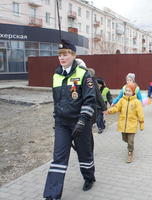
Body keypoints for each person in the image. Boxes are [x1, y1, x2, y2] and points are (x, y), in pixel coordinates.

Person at [43, 40, 96, 200]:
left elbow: (90, 100)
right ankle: (52, 195)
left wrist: (82, 121)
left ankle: (89, 178)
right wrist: (56, 120)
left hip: (81, 122)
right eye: (59, 54)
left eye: (65, 54)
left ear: (73, 55)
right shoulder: (56, 75)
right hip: (62, 124)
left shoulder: (84, 74)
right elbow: (56, 101)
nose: (62, 57)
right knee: (59, 158)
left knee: (84, 154)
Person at [104, 83, 144, 163]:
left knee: (130, 141)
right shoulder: (122, 100)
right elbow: (116, 108)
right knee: (124, 139)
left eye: (129, 91)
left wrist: (141, 123)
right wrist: (109, 111)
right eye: (126, 91)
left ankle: (130, 152)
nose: (127, 92)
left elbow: (140, 113)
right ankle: (130, 146)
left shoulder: (137, 102)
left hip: (132, 125)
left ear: (133, 92)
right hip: (123, 124)